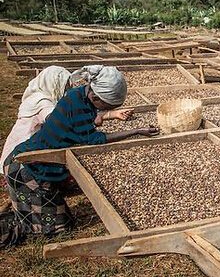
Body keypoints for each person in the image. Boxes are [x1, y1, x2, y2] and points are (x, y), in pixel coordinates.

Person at [1, 65, 159, 249]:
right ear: (95, 97)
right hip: (27, 169)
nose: (107, 109)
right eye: (107, 106)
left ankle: (26, 214)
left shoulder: (78, 95)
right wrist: (136, 131)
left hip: (26, 159)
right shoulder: (78, 107)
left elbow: (85, 125)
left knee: (60, 219)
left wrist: (108, 115)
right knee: (57, 229)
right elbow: (95, 140)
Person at [1, 66, 133, 173]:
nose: (68, 90)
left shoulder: (63, 100)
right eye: (65, 87)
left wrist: (110, 115)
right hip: (26, 157)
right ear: (53, 85)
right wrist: (132, 131)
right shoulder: (43, 103)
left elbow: (75, 120)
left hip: (35, 151)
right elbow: (68, 125)